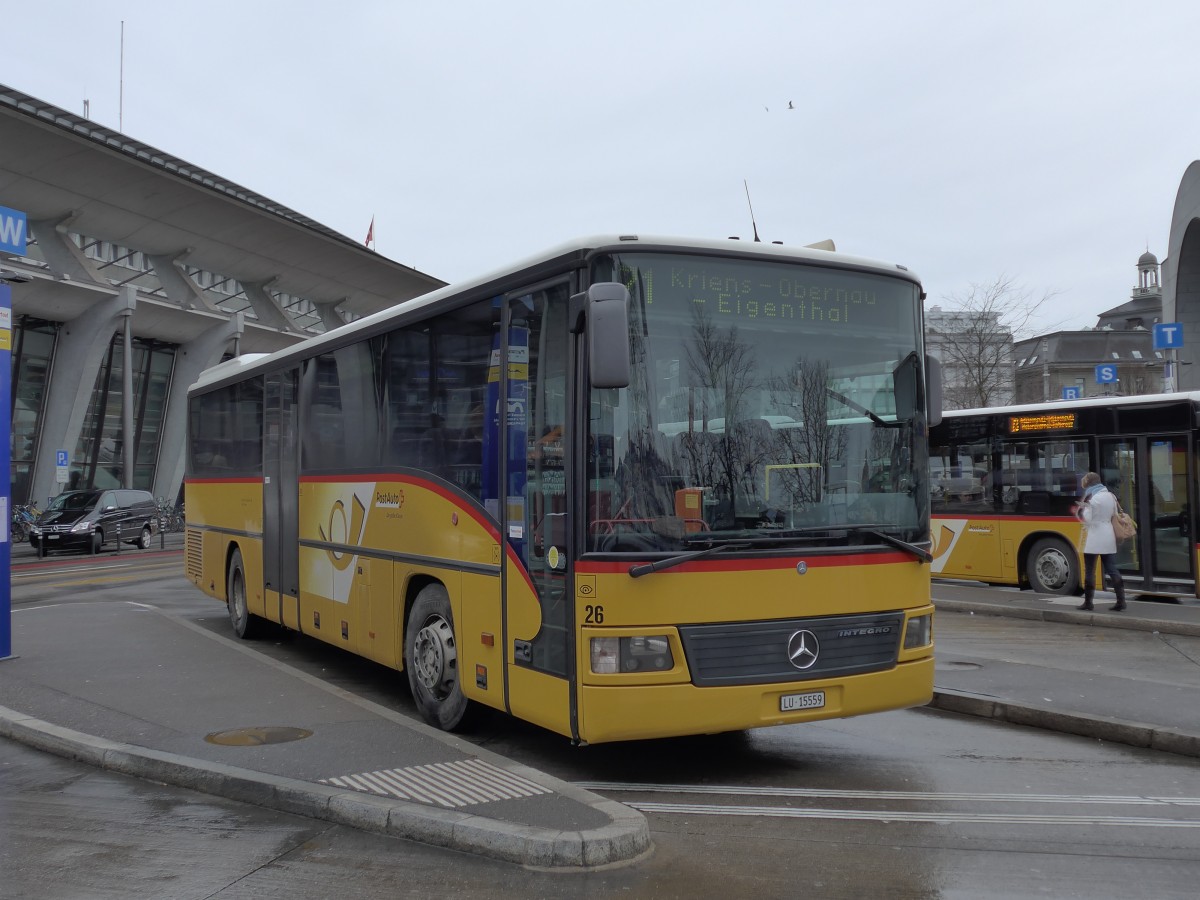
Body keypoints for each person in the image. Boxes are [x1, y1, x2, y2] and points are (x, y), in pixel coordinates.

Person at [1072, 472, 1127, 612]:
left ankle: (1088, 603)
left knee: (1090, 570)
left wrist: (1083, 509)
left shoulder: (1093, 498)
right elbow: (1114, 514)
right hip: (1108, 534)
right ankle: (1121, 601)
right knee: (1112, 569)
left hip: (1094, 536)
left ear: (1089, 484)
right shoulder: (1111, 496)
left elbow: (1088, 518)